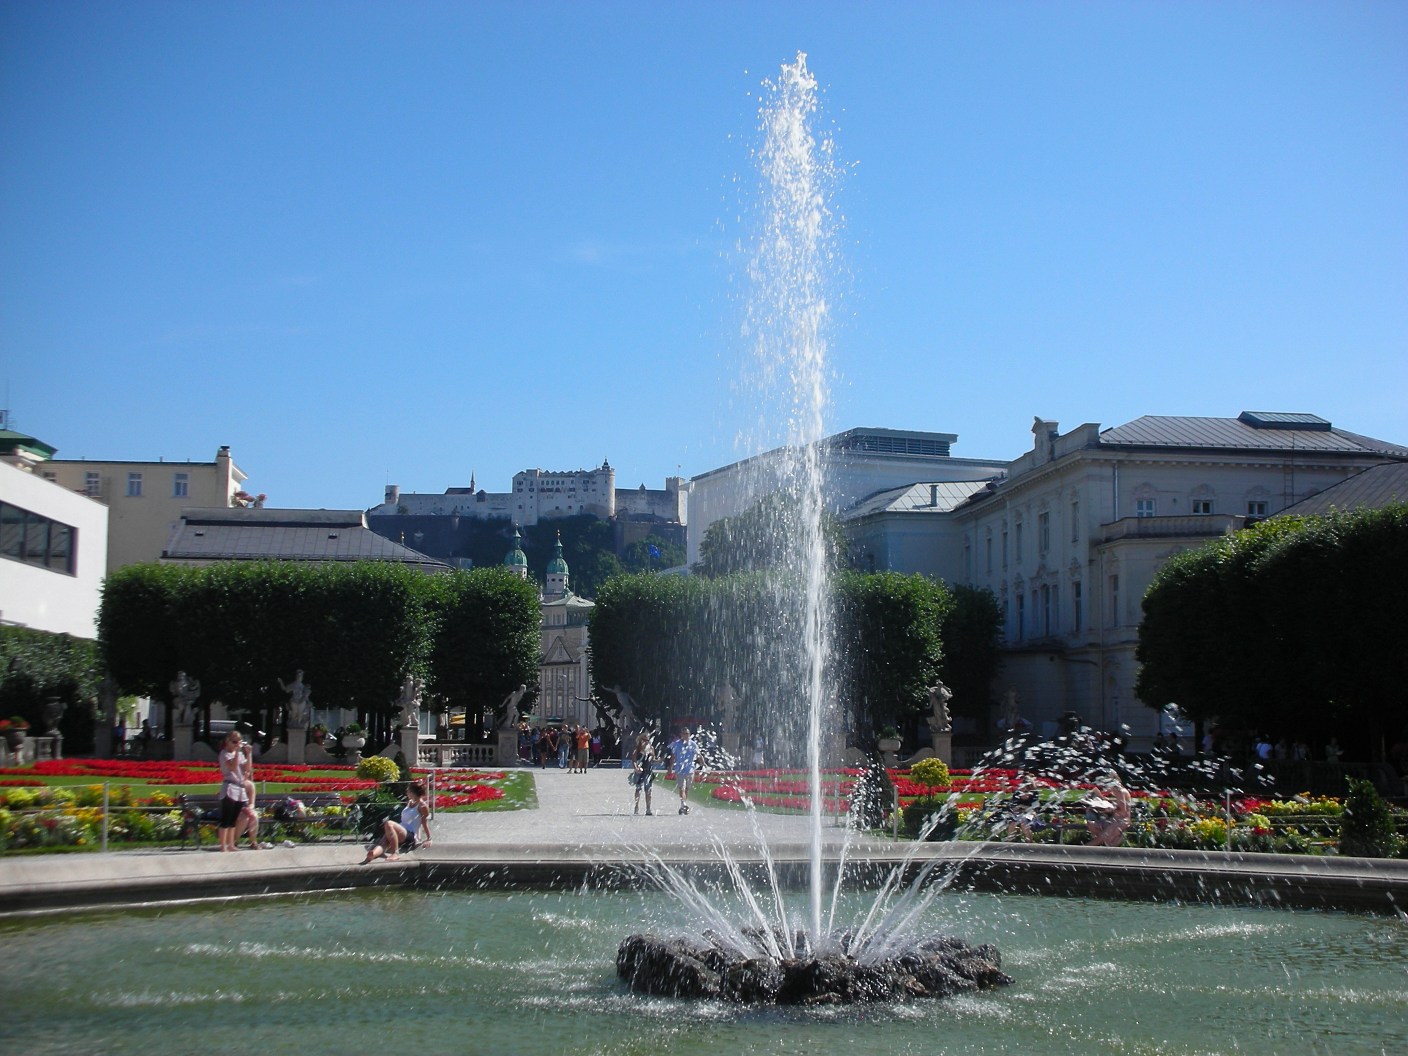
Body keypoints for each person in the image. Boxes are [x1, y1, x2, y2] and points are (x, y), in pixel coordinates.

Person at [362, 781, 432, 863]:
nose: (406, 792)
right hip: (402, 833)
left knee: (389, 823)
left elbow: (424, 822)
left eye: (408, 791)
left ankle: (395, 853)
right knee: (384, 841)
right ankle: (373, 854)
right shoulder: (409, 802)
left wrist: (429, 838)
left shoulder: (422, 806)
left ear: (413, 792)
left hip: (411, 836)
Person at [217, 730, 260, 853]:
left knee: (233, 819)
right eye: (234, 741)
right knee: (226, 818)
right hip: (230, 786)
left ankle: (231, 844)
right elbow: (232, 767)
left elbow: (247, 769)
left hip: (239, 788)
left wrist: (248, 754)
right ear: (227, 742)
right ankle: (223, 845)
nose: (237, 744)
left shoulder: (239, 754)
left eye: (238, 741)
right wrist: (236, 752)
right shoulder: (224, 754)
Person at [1083, 769, 1131, 847]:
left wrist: (1108, 809)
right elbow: (1118, 805)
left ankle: (1082, 850)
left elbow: (1123, 811)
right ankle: (1108, 845)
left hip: (1121, 820)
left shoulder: (1119, 791)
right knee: (1092, 824)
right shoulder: (1118, 790)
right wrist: (1101, 800)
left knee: (1102, 836)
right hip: (1113, 819)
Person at [670, 728, 698, 815]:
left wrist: (704, 763)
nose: (686, 735)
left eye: (687, 734)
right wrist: (670, 767)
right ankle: (684, 804)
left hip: (690, 769)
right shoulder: (676, 744)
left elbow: (699, 754)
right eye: (684, 733)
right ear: (681, 734)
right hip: (679, 769)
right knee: (681, 787)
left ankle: (683, 805)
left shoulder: (693, 744)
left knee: (686, 788)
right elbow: (673, 756)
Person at [631, 733, 656, 816]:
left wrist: (657, 759)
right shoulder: (637, 749)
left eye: (648, 740)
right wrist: (636, 768)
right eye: (645, 740)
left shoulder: (651, 748)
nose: (646, 742)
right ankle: (636, 807)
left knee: (648, 790)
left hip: (648, 771)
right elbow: (633, 759)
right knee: (638, 789)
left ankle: (648, 808)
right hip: (640, 771)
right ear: (641, 740)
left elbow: (653, 759)